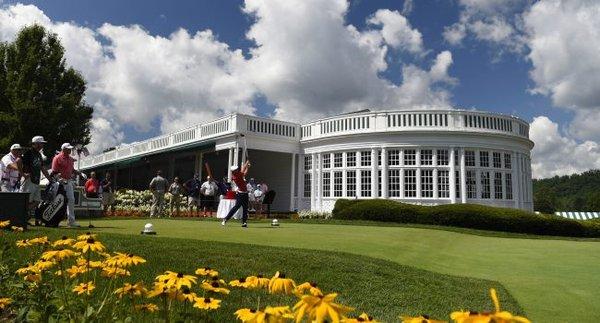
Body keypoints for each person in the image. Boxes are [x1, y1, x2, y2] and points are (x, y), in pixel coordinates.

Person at [51, 143, 86, 227]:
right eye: (68, 149)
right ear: (63, 149)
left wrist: (80, 174)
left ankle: (71, 221)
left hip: (68, 181)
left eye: (70, 149)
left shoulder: (70, 159)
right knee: (57, 201)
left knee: (71, 200)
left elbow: (72, 170)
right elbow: (54, 171)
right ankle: (53, 220)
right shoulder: (57, 158)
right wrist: (60, 179)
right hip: (58, 182)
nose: (70, 150)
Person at [20, 136, 51, 224]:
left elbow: (42, 167)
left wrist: (49, 179)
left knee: (37, 201)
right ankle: (22, 218)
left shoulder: (38, 154)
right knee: (27, 201)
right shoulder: (28, 153)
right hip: (29, 180)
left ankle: (23, 215)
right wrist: (23, 174)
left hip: (36, 180)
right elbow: (20, 163)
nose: (42, 145)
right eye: (41, 143)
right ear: (36, 144)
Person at [222, 160, 251, 227]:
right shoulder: (236, 176)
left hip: (245, 193)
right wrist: (246, 164)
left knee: (245, 208)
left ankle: (244, 222)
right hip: (240, 194)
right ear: (234, 171)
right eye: (236, 169)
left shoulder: (238, 174)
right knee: (236, 207)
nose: (237, 170)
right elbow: (243, 170)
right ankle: (225, 219)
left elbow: (244, 173)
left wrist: (247, 167)